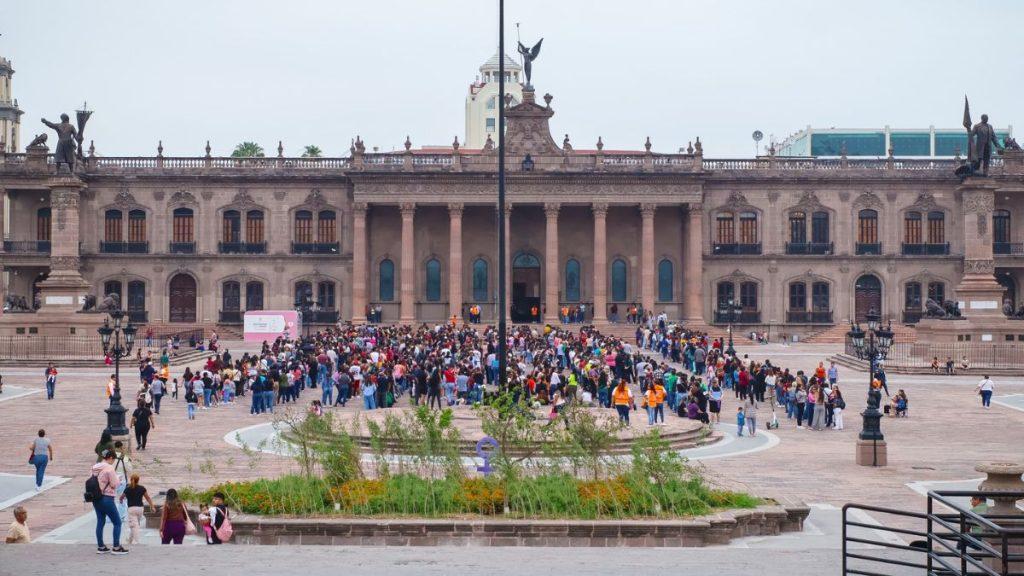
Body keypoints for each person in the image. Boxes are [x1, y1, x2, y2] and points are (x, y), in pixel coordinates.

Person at [90, 449, 128, 554]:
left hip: (96, 498)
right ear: (110, 458)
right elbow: (114, 484)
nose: (113, 461)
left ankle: (101, 546)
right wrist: (119, 479)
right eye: (113, 459)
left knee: (100, 521)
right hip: (107, 498)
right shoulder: (109, 468)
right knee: (117, 522)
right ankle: (116, 547)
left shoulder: (95, 467)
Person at [120, 474, 154, 546]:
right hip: (140, 509)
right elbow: (148, 498)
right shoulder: (142, 488)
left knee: (134, 525)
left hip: (131, 509)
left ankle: (136, 541)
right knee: (135, 524)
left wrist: (121, 501)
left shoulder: (127, 489)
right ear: (138, 480)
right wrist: (152, 506)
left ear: (130, 479)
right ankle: (130, 540)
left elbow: (122, 497)